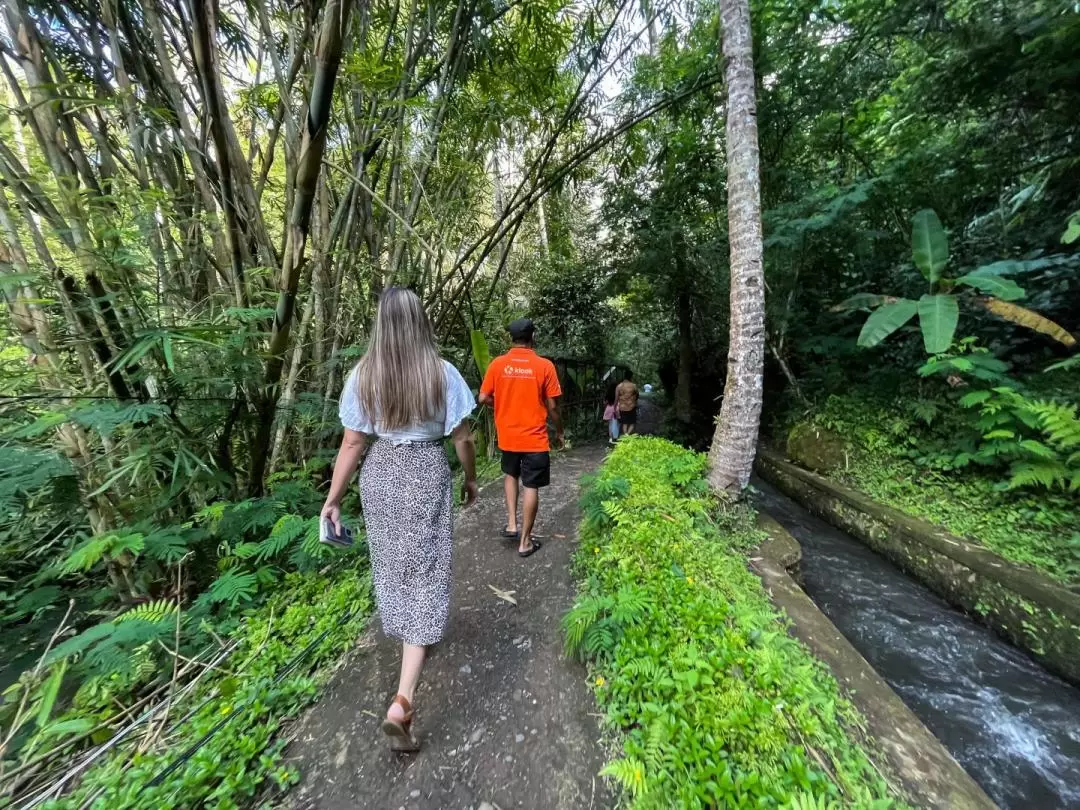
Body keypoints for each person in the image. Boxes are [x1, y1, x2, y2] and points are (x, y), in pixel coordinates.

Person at [320, 287, 477, 753]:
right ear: (420, 322)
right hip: (426, 469)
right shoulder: (442, 373)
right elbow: (463, 439)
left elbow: (352, 444)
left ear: (382, 325)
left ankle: (410, 631)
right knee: (427, 567)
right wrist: (470, 480)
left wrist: (333, 499)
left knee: (394, 565)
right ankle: (403, 700)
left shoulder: (364, 375)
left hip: (381, 473)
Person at [478, 318, 562, 558]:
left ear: (511, 339)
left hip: (508, 436)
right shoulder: (544, 366)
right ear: (532, 337)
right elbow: (553, 406)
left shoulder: (498, 364)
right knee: (531, 485)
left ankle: (512, 524)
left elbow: (483, 398)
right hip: (534, 438)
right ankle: (525, 542)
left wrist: (500, 404)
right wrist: (560, 431)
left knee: (511, 474)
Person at [615, 369, 639, 435]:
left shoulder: (619, 386)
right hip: (632, 406)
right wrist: (634, 400)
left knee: (624, 423)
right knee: (632, 423)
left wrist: (615, 407)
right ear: (631, 377)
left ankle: (626, 435)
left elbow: (616, 399)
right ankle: (627, 435)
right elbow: (637, 395)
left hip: (622, 407)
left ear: (624, 376)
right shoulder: (634, 386)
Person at [603, 380, 619, 444]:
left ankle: (611, 436)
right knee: (616, 423)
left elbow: (605, 402)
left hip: (609, 408)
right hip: (616, 408)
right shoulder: (617, 393)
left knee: (610, 423)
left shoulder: (608, 393)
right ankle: (615, 437)